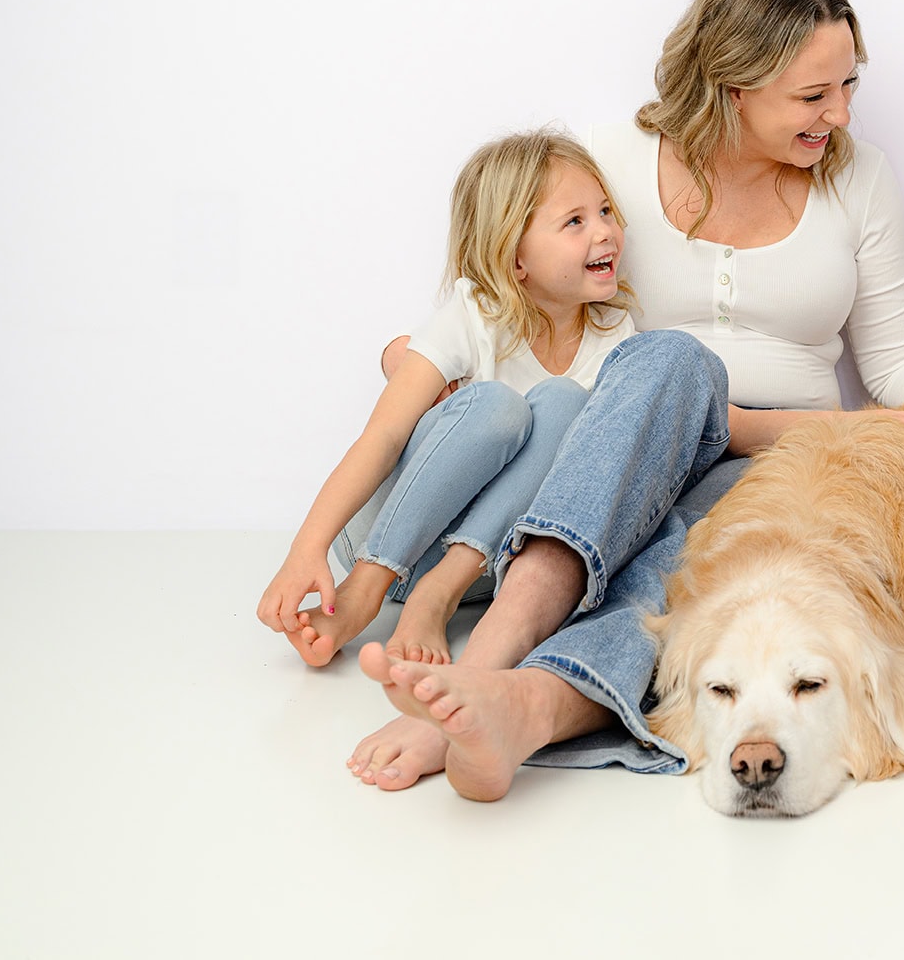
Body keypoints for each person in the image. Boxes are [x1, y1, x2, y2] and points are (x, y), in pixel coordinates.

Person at [345, 0, 904, 800]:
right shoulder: (611, 161)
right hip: (629, 445)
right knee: (674, 359)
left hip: (778, 466)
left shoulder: (860, 180)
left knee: (682, 594)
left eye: (847, 87)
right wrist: (418, 359)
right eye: (812, 95)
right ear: (731, 83)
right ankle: (488, 662)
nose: (838, 114)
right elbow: (517, 277)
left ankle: (520, 709)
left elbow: (897, 361)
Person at [255, 129, 633, 668]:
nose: (605, 232)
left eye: (605, 211)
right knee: (497, 404)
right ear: (515, 257)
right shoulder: (474, 313)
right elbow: (384, 437)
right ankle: (363, 593)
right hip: (387, 535)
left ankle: (436, 596)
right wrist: (306, 547)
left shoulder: (617, 336)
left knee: (568, 406)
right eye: (574, 221)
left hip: (483, 573)